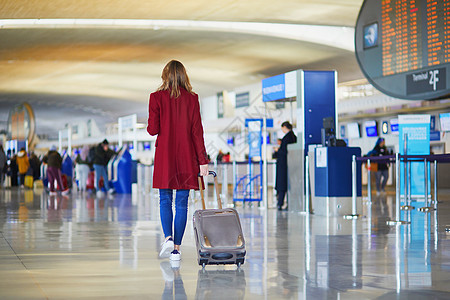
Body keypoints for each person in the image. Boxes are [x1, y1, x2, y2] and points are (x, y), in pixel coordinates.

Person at [147, 60, 208, 262]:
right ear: (184, 75)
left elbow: (152, 129)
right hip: (186, 157)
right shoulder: (192, 99)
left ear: (165, 76)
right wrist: (203, 161)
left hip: (165, 156)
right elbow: (197, 132)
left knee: (165, 200)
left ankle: (167, 238)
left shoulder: (156, 98)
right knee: (182, 204)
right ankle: (176, 250)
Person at [275, 121, 297, 211]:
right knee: (286, 184)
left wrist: (277, 150)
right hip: (291, 164)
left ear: (285, 127)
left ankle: (280, 203)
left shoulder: (286, 138)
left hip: (283, 164)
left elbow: (284, 151)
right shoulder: (293, 137)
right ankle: (285, 202)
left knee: (282, 184)